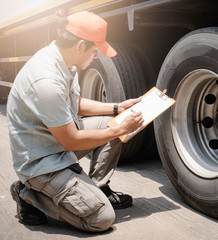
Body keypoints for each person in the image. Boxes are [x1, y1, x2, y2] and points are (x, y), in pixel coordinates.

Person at [7, 11, 144, 232]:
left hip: (55, 142)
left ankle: (98, 188)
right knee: (101, 219)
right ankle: (27, 192)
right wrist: (120, 129)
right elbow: (71, 141)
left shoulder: (64, 61)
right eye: (95, 49)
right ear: (80, 45)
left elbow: (74, 102)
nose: (97, 55)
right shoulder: (47, 80)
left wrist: (119, 108)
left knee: (114, 122)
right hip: (41, 161)